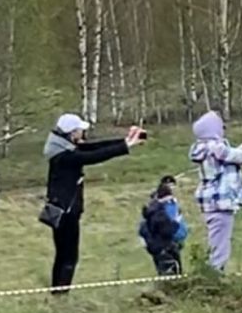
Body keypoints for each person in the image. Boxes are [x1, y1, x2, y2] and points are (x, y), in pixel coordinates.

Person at [44, 113, 144, 292]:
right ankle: (60, 293)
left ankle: (58, 291)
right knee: (68, 256)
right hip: (66, 212)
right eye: (80, 130)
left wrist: (125, 141)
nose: (83, 133)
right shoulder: (64, 156)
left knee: (63, 255)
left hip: (65, 209)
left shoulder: (62, 147)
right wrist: (126, 146)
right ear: (72, 133)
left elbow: (93, 147)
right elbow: (94, 156)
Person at [189, 109, 242, 271]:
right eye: (221, 126)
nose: (223, 129)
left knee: (217, 244)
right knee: (220, 250)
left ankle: (213, 275)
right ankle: (215, 279)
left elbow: (231, 156)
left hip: (211, 203)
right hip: (220, 203)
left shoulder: (205, 148)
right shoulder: (216, 148)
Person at [139, 177, 187, 276]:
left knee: (166, 273)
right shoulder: (160, 213)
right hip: (166, 247)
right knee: (170, 274)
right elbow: (167, 230)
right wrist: (176, 223)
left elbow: (144, 228)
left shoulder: (152, 210)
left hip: (159, 247)